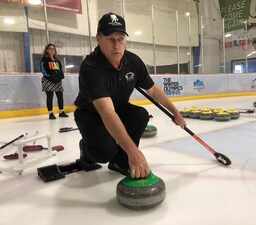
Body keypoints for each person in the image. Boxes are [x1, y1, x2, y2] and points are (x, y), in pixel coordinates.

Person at [74, 12, 186, 178]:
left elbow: (153, 90)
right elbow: (107, 112)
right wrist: (134, 152)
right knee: (105, 152)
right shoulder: (91, 67)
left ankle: (119, 161)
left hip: (118, 108)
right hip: (91, 114)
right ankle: (87, 150)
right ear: (98, 39)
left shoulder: (133, 62)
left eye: (120, 39)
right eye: (110, 38)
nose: (116, 45)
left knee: (140, 115)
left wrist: (175, 112)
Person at [40, 43, 69, 119]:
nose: (52, 50)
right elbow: (43, 70)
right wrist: (50, 77)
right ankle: (51, 113)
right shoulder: (44, 60)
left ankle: (61, 112)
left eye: (53, 49)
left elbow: (60, 70)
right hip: (48, 81)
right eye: (50, 49)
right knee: (50, 97)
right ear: (47, 50)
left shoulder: (57, 60)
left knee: (60, 96)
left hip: (57, 81)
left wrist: (61, 76)